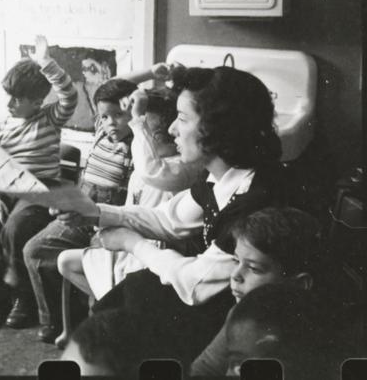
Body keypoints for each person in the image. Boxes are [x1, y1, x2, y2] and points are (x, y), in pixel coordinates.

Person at [59, 65, 293, 375]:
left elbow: (195, 284)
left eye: (182, 119)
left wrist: (133, 245)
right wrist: (96, 212)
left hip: (229, 315)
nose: (171, 130)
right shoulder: (221, 178)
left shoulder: (255, 198)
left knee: (122, 324)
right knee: (119, 305)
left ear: (218, 129)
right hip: (203, 297)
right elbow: (168, 220)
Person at [55, 87, 204, 343]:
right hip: (129, 246)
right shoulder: (143, 169)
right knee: (66, 261)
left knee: (112, 289)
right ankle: (104, 315)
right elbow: (130, 209)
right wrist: (97, 219)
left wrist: (136, 121)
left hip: (151, 254)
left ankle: (114, 317)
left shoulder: (179, 169)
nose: (140, 134)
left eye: (148, 130)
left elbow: (152, 176)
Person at [0, 35, 78, 329]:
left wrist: (46, 63)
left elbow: (69, 95)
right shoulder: (1, 127)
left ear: (37, 101)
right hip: (3, 189)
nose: (9, 103)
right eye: (8, 96)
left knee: (15, 228)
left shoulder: (50, 119)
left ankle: (24, 297)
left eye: (17, 99)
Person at [21, 77, 137, 342]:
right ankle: (54, 319)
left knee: (99, 270)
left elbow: (130, 208)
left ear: (132, 110)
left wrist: (142, 87)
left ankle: (90, 327)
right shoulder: (101, 131)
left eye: (119, 115)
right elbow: (112, 85)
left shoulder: (138, 147)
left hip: (111, 221)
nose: (111, 123)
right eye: (104, 116)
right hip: (80, 210)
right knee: (35, 250)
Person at [190, 206, 322, 376]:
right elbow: (206, 367)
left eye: (254, 268)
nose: (235, 275)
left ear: (299, 285)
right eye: (237, 261)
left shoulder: (312, 338)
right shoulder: (242, 313)